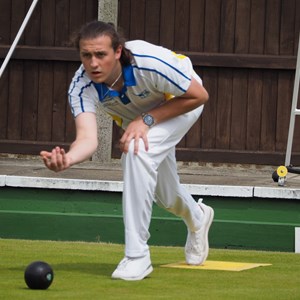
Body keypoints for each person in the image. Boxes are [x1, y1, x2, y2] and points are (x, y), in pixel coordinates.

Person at [40, 20, 214, 281]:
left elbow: (199, 95)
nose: (93, 63)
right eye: (86, 56)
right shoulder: (81, 86)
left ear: (118, 51)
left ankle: (137, 256)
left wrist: (146, 120)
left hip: (181, 103)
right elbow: (88, 139)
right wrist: (67, 159)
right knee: (166, 196)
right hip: (143, 123)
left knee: (135, 151)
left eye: (101, 54)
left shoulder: (147, 61)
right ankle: (197, 217)